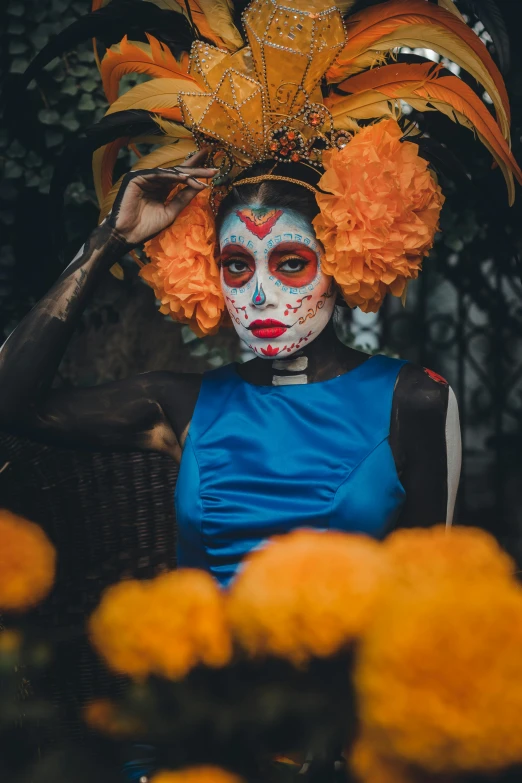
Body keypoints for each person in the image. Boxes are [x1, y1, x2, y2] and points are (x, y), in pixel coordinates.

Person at [0, 0, 520, 587]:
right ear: (205, 271)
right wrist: (109, 240)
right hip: (205, 675)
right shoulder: (180, 405)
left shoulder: (416, 402)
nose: (262, 295)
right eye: (237, 266)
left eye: (292, 263)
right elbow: (11, 403)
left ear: (347, 255)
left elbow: (429, 601)